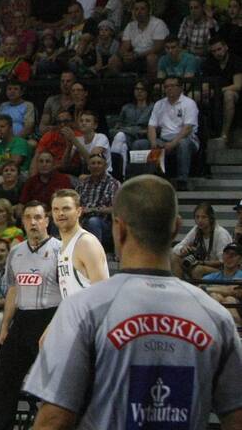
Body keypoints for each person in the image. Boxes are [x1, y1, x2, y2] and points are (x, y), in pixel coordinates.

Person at [23, 174, 242, 429]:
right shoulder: (215, 315)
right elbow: (236, 416)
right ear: (176, 226)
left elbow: (53, 419)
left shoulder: (82, 309)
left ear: (119, 227)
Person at [0, 201, 61, 430]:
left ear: (47, 221)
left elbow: (70, 293)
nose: (33, 222)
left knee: (51, 386)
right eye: (28, 218)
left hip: (51, 317)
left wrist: (56, 327)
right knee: (2, 383)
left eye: (38, 217)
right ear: (23, 222)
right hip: (22, 318)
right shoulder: (16, 252)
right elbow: (12, 289)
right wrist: (6, 325)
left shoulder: (61, 250)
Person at [133, 75, 199, 190]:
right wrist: (153, 142)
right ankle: (144, 179)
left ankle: (182, 180)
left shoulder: (189, 103)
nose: (169, 89)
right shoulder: (159, 104)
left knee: (183, 144)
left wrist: (173, 143)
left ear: (180, 88)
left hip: (185, 139)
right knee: (139, 144)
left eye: (172, 86)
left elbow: (187, 128)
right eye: (166, 86)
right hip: (163, 139)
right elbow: (152, 126)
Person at [52, 189, 110, 301]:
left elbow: (102, 293)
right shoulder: (62, 247)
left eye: (66, 208)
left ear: (79, 211)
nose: (60, 213)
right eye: (56, 209)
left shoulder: (85, 243)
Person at [172, 201, 233, 281]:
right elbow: (176, 248)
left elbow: (223, 262)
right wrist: (182, 249)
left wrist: (202, 262)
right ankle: (181, 287)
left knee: (198, 270)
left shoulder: (221, 234)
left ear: (210, 218)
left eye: (203, 217)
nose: (200, 220)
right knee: (174, 257)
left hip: (222, 270)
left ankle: (200, 291)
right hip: (201, 264)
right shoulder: (196, 230)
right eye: (197, 217)